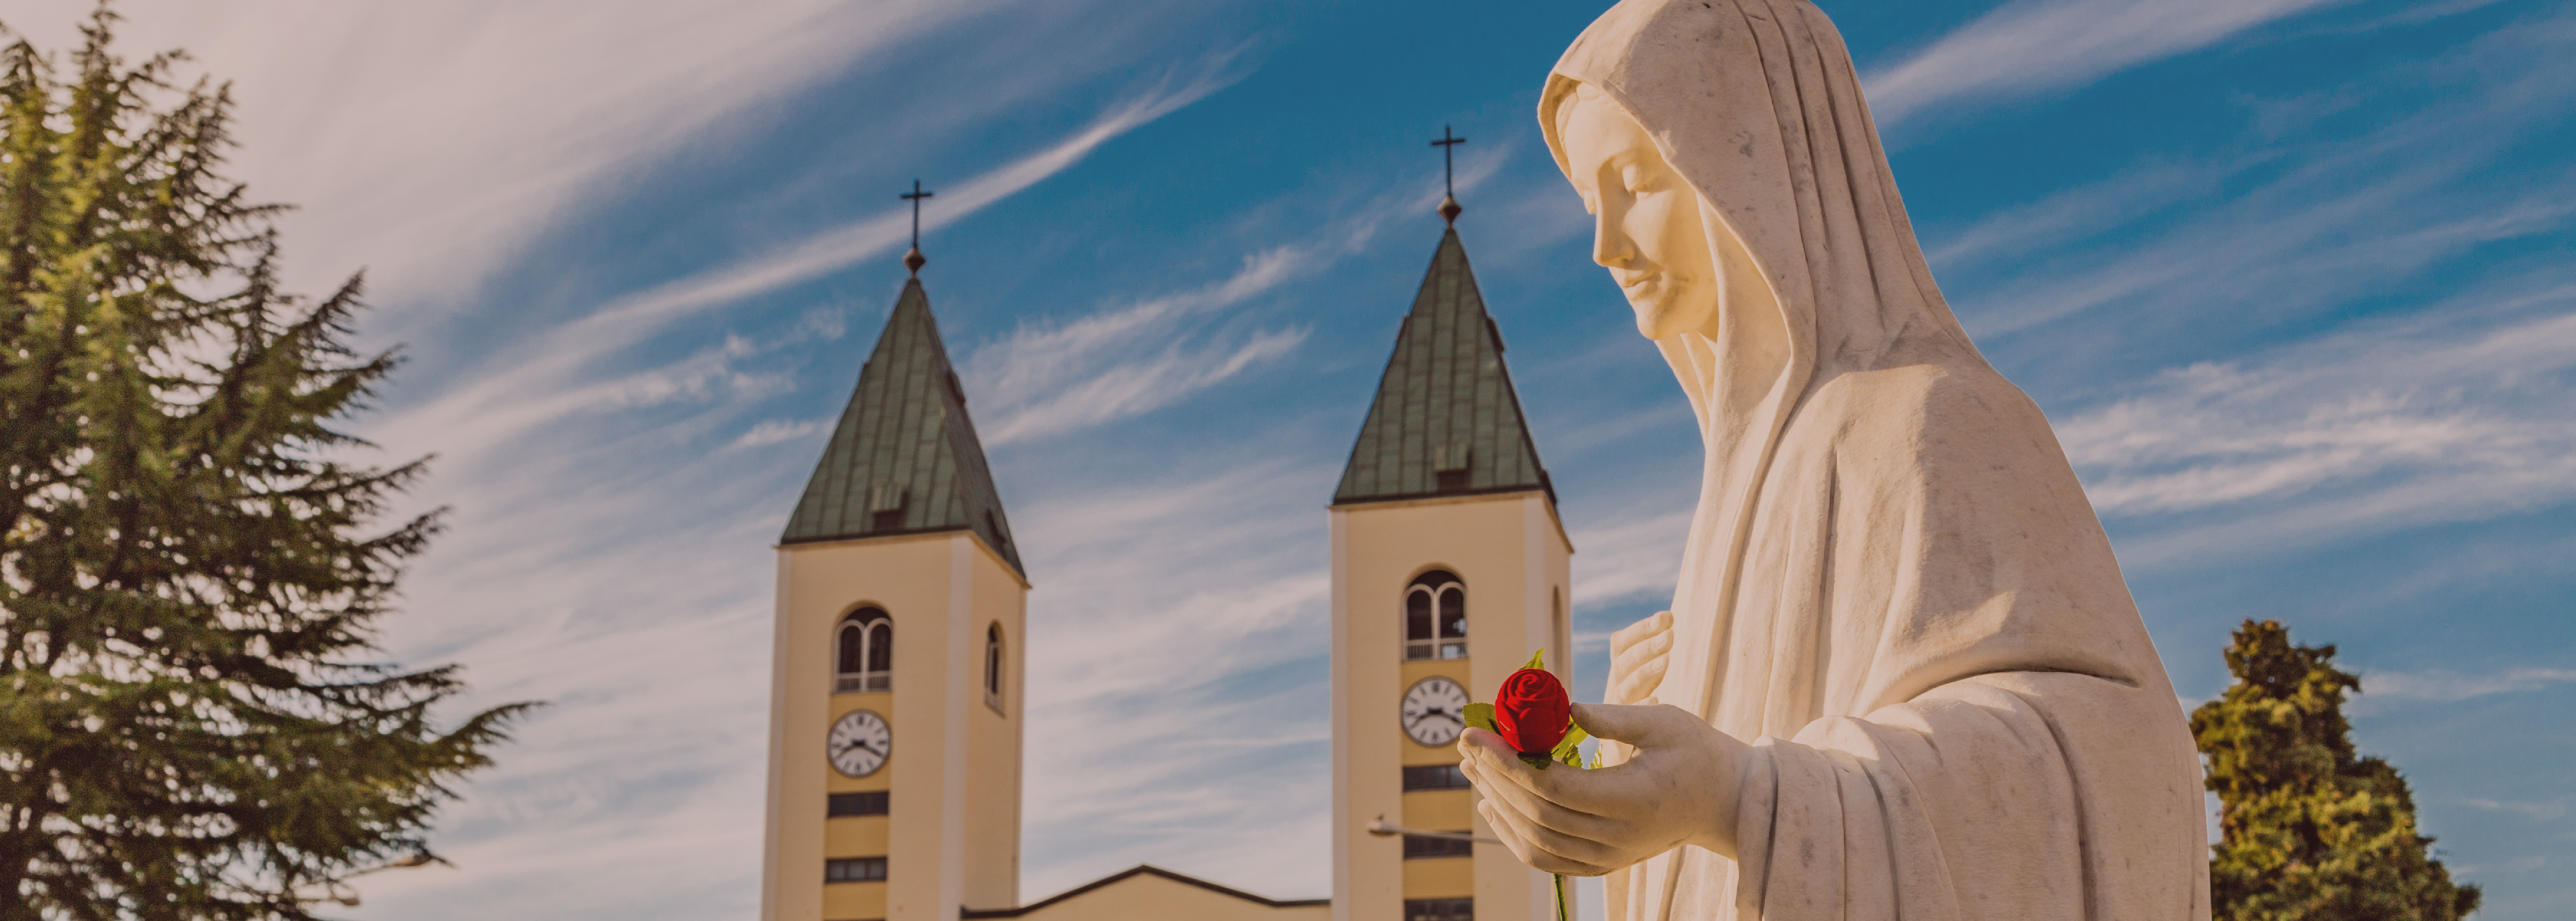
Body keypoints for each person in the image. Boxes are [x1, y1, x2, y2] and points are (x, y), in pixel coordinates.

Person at [1454, 2, 2210, 919]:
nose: (1606, 245)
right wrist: (1623, 784)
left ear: (1764, 175)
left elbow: (2120, 759)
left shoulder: (1935, 420)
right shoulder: (1741, 492)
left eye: (1637, 179)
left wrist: (1739, 797)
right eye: (1590, 200)